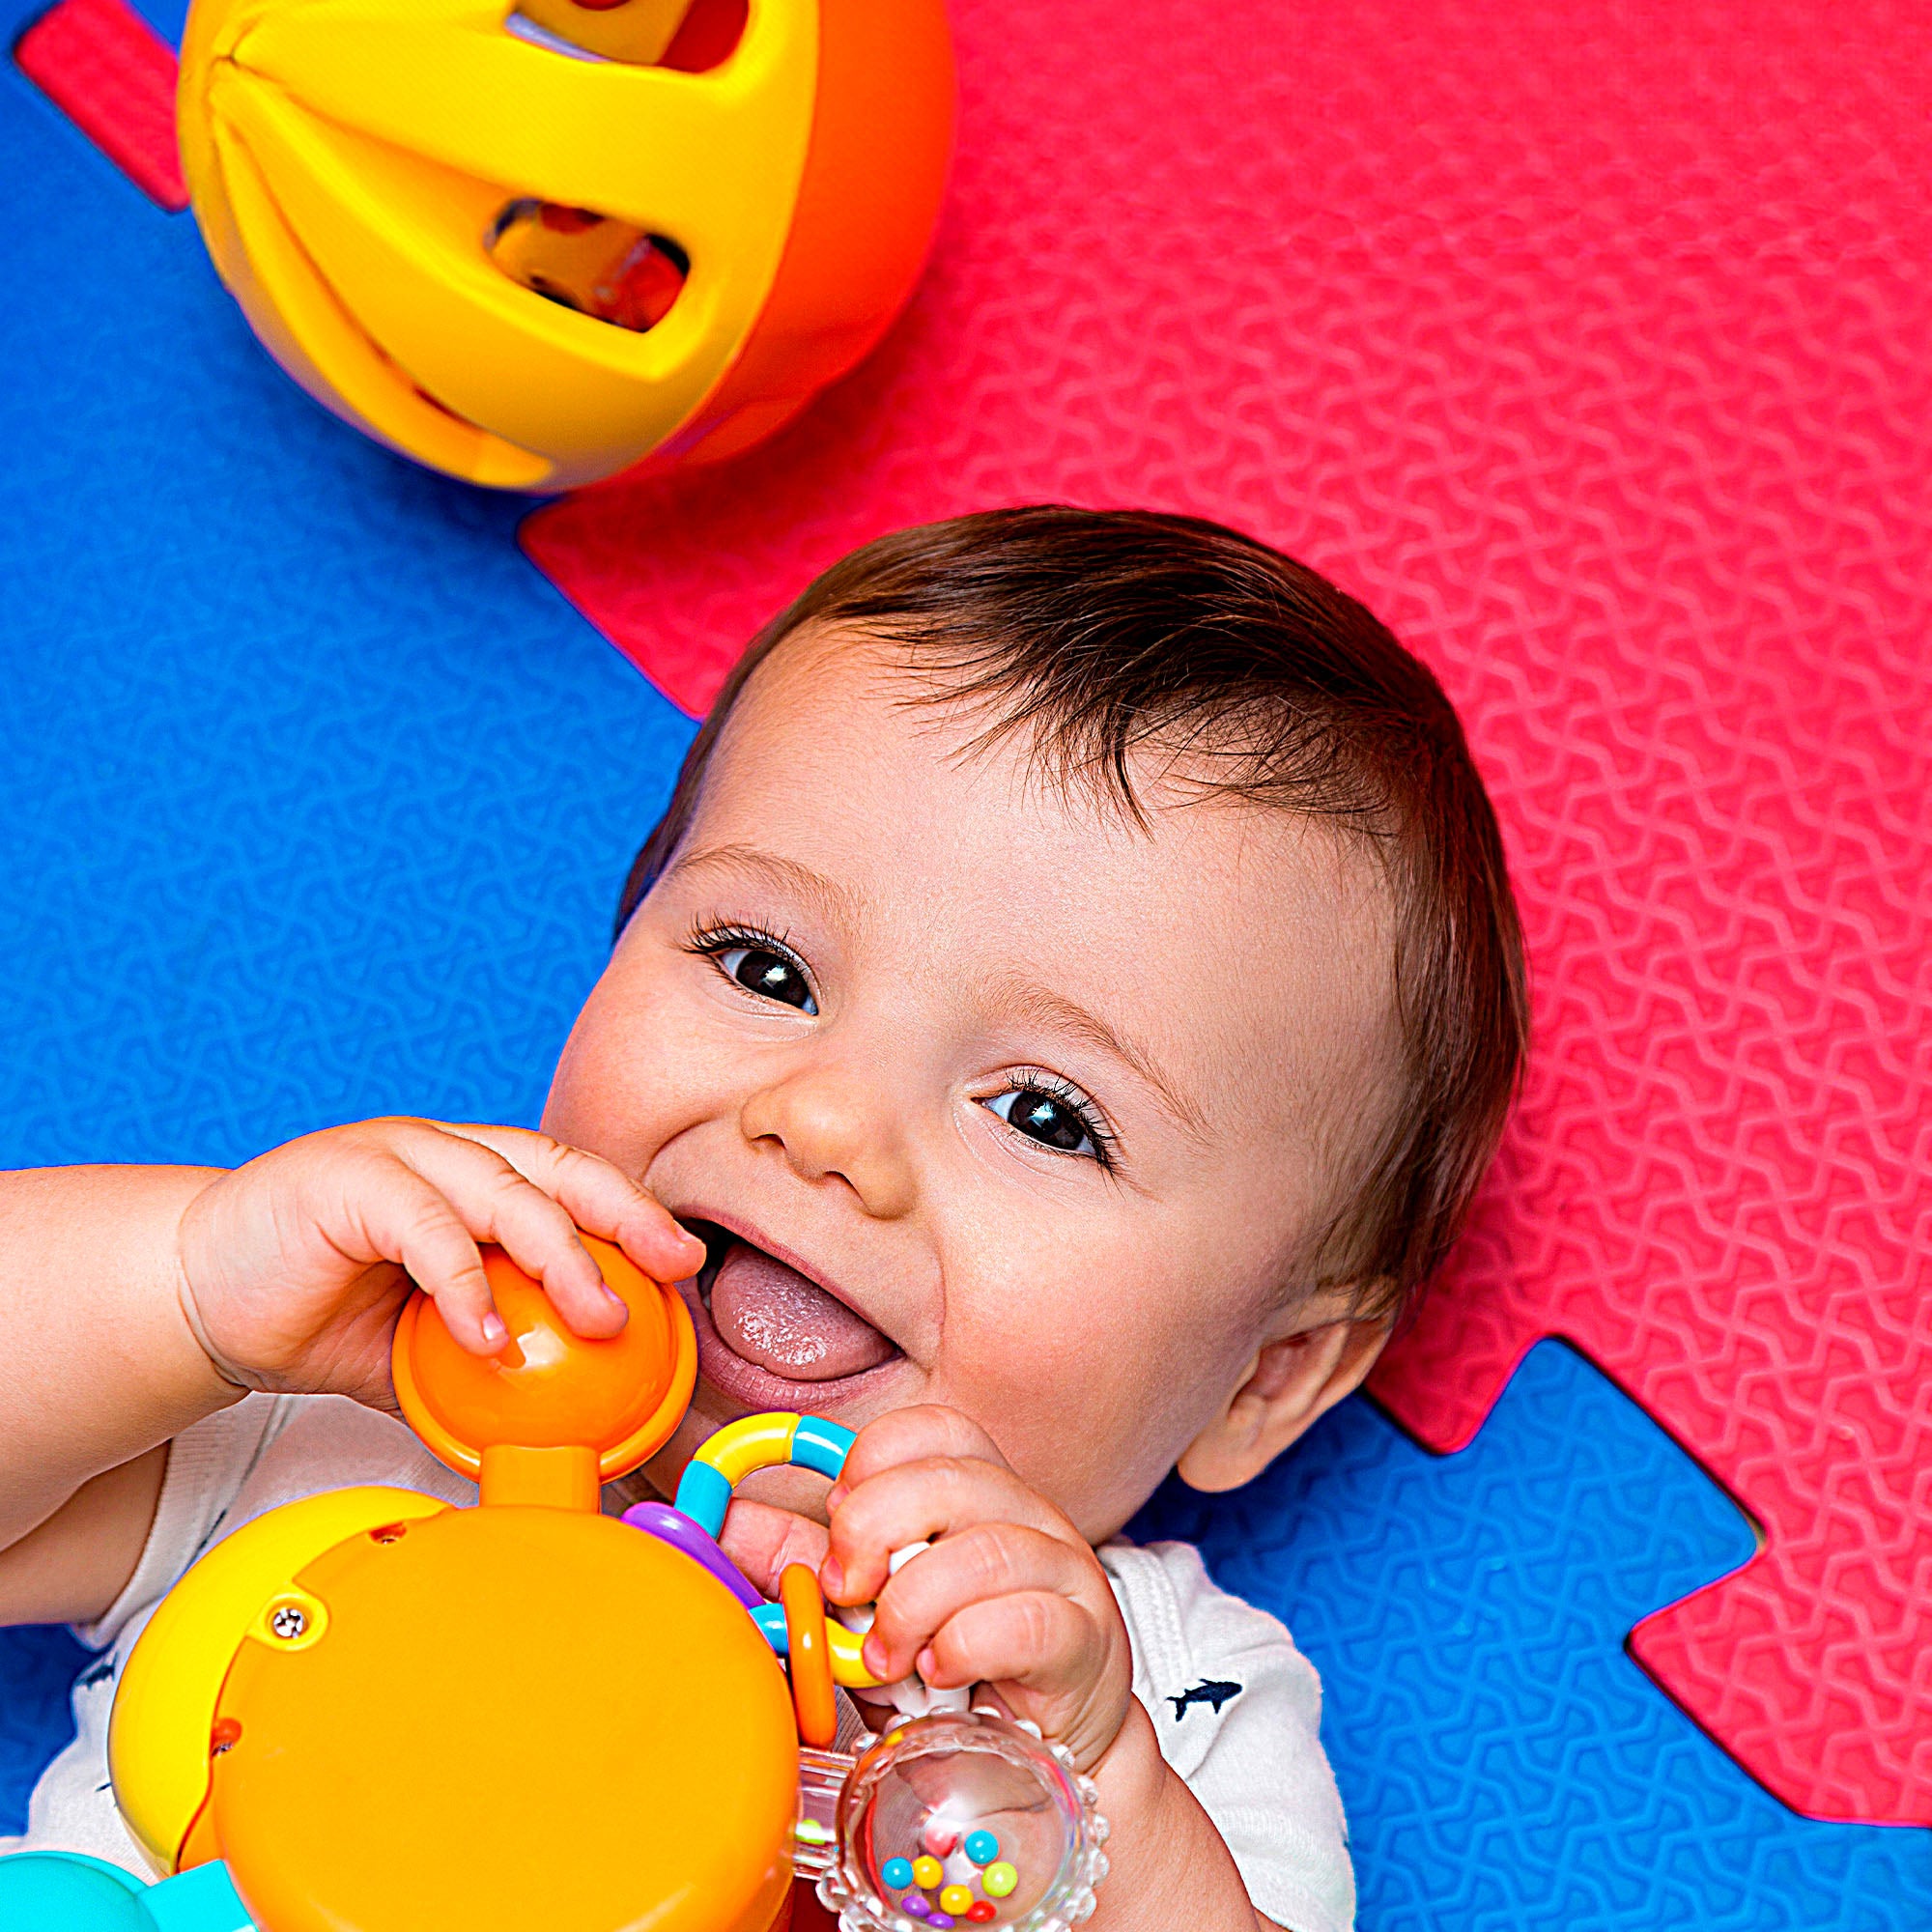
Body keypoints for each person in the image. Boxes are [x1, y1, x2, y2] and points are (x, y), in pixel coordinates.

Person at [0, 508, 1525, 1932]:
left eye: (1047, 1115)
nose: (829, 1123)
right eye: (762, 969)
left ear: (1264, 1374)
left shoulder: (1155, 1704)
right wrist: (189, 1291)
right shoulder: (361, 1398)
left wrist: (1086, 1808)